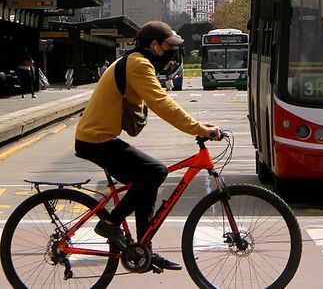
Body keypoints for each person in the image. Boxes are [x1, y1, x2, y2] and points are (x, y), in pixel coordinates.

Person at [74, 20, 221, 272]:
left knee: (148, 181)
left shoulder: (135, 61)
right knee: (156, 171)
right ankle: (110, 222)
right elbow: (162, 103)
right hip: (95, 140)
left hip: (98, 138)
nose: (172, 52)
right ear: (154, 45)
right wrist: (198, 129)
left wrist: (198, 124)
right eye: (169, 46)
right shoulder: (139, 64)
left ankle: (144, 250)